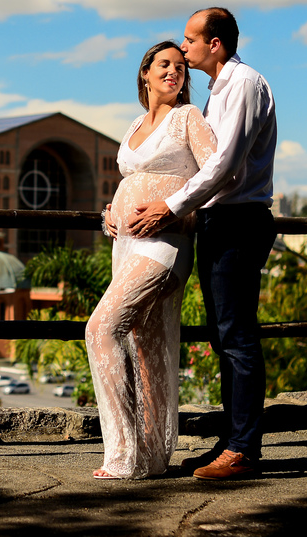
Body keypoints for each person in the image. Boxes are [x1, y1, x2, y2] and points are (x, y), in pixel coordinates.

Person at [129, 7, 277, 481]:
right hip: (216, 221)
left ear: (215, 44)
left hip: (239, 220)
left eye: (190, 40)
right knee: (222, 336)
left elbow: (224, 166)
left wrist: (168, 208)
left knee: (237, 336)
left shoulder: (245, 85)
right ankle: (231, 442)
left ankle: (244, 450)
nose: (184, 48)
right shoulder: (217, 94)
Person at [86, 40, 217, 479]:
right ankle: (153, 456)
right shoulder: (134, 124)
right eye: (164, 65)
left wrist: (175, 208)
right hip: (125, 244)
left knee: (102, 327)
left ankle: (122, 454)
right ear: (145, 73)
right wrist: (114, 211)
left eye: (181, 67)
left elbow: (217, 177)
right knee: (146, 346)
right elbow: (136, 178)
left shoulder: (189, 118)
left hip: (166, 244)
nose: (174, 72)